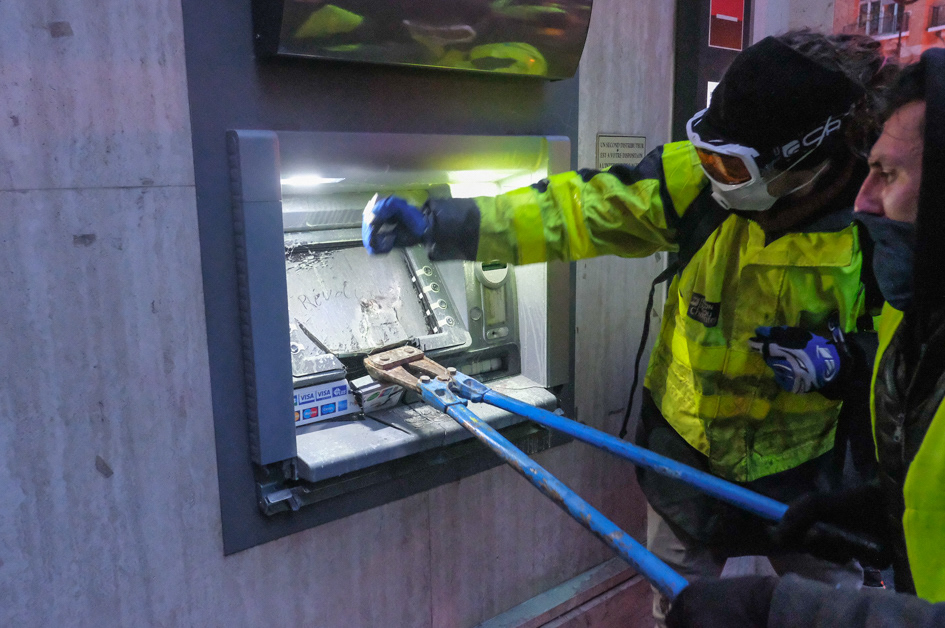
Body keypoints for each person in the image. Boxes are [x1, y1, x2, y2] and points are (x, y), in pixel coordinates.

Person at [362, 31, 894, 626]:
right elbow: (580, 211)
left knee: (837, 612)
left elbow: (913, 358)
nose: (714, 178)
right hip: (688, 458)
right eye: (708, 155)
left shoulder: (879, 220)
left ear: (800, 161)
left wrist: (845, 361)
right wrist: (448, 225)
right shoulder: (697, 188)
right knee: (682, 609)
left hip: (809, 468)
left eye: (729, 166)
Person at [666, 48, 945, 628]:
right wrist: (884, 510)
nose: (863, 201)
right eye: (870, 168)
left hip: (805, 463)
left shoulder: (885, 266)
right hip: (692, 464)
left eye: (888, 174)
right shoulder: (917, 307)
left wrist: (784, 612)